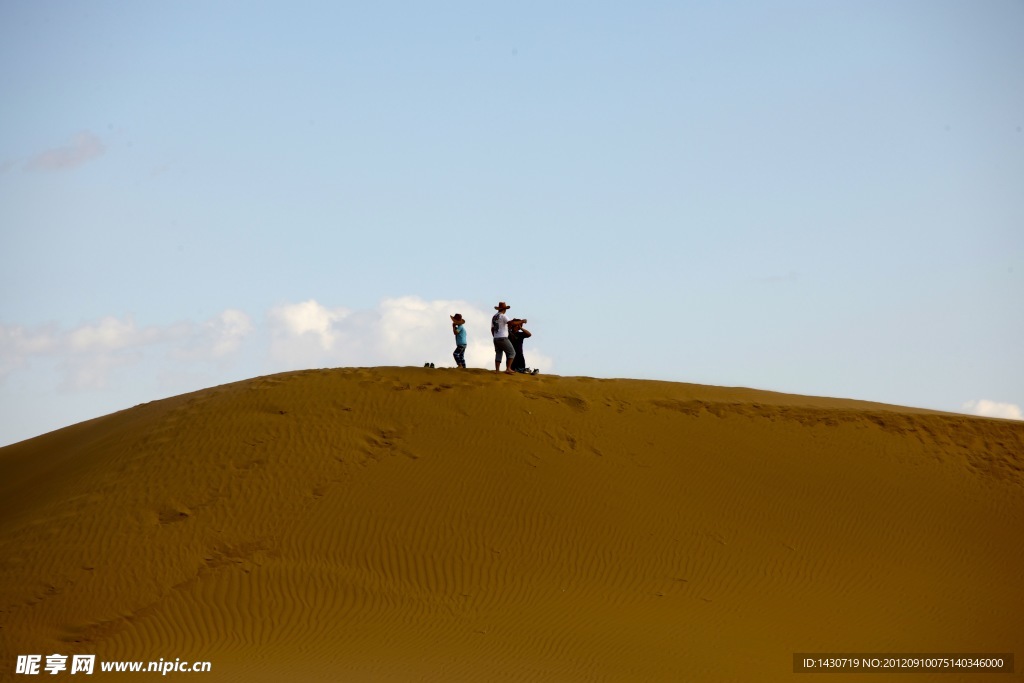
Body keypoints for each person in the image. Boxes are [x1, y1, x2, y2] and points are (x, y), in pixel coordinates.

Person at [491, 301, 516, 375]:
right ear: (504, 309)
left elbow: (492, 329)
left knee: (498, 353)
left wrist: (495, 336)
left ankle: (497, 370)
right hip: (503, 337)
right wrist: (521, 321)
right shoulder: (503, 316)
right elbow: (511, 323)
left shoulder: (494, 316)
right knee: (512, 352)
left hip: (496, 338)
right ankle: (508, 369)